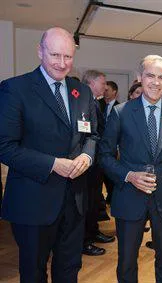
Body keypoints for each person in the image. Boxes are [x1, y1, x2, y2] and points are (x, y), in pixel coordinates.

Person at [0, 27, 98, 283]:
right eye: (55, 55)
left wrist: (87, 157)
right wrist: (53, 164)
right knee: (33, 273)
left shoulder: (82, 92)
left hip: (74, 201)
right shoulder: (15, 89)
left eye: (68, 57)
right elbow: (5, 146)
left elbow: (92, 136)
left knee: (69, 269)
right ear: (40, 51)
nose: (62, 63)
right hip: (33, 201)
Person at [99, 55, 162, 283]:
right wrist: (128, 175)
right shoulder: (121, 112)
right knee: (127, 261)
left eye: (161, 77)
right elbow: (104, 155)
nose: (155, 82)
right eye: (150, 75)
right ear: (140, 77)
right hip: (129, 196)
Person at [81, 70, 115, 257]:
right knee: (86, 203)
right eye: (102, 83)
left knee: (94, 200)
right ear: (91, 83)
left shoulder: (95, 102)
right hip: (88, 162)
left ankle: (93, 232)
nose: (105, 87)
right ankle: (85, 240)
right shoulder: (83, 102)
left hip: (96, 161)